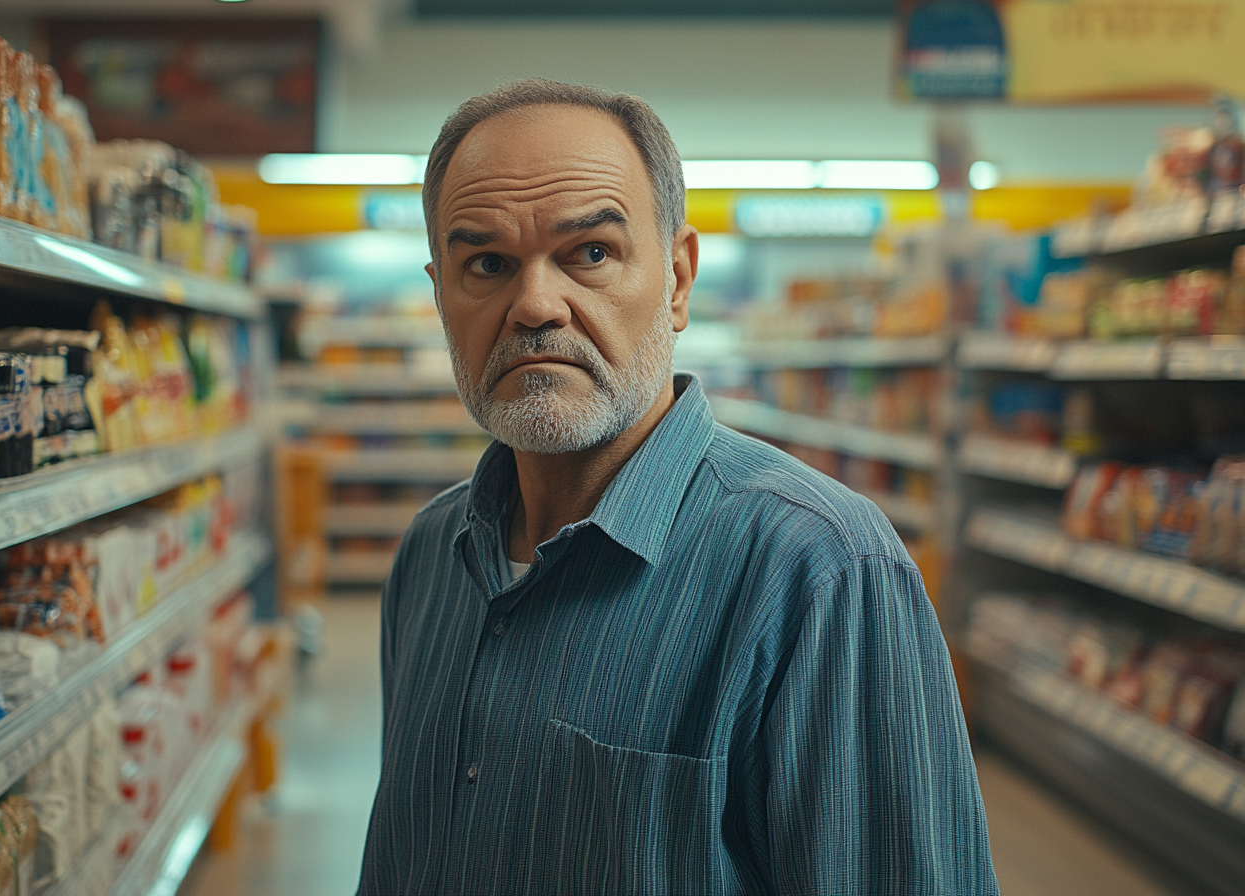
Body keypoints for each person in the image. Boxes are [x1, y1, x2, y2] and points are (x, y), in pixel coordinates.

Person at [358, 78, 998, 896]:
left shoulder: (822, 571)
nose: (534, 305)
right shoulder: (429, 557)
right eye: (485, 263)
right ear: (441, 293)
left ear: (678, 279)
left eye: (590, 253)